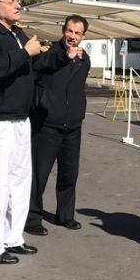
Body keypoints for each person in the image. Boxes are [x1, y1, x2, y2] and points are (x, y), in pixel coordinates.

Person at [0, 0, 78, 265]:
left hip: (19, 118)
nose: (18, 5)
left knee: (19, 182)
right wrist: (23, 53)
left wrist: (62, 55)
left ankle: (12, 237)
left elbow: (37, 64)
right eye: (12, 1)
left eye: (18, 0)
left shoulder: (17, 33)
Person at [25, 15, 91, 236]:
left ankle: (65, 215)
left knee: (69, 173)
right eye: (69, 31)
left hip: (72, 126)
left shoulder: (85, 60)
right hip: (47, 125)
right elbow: (40, 65)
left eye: (77, 33)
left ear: (84, 36)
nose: (72, 37)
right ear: (63, 31)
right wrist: (65, 56)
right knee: (39, 174)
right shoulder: (49, 52)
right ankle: (32, 218)